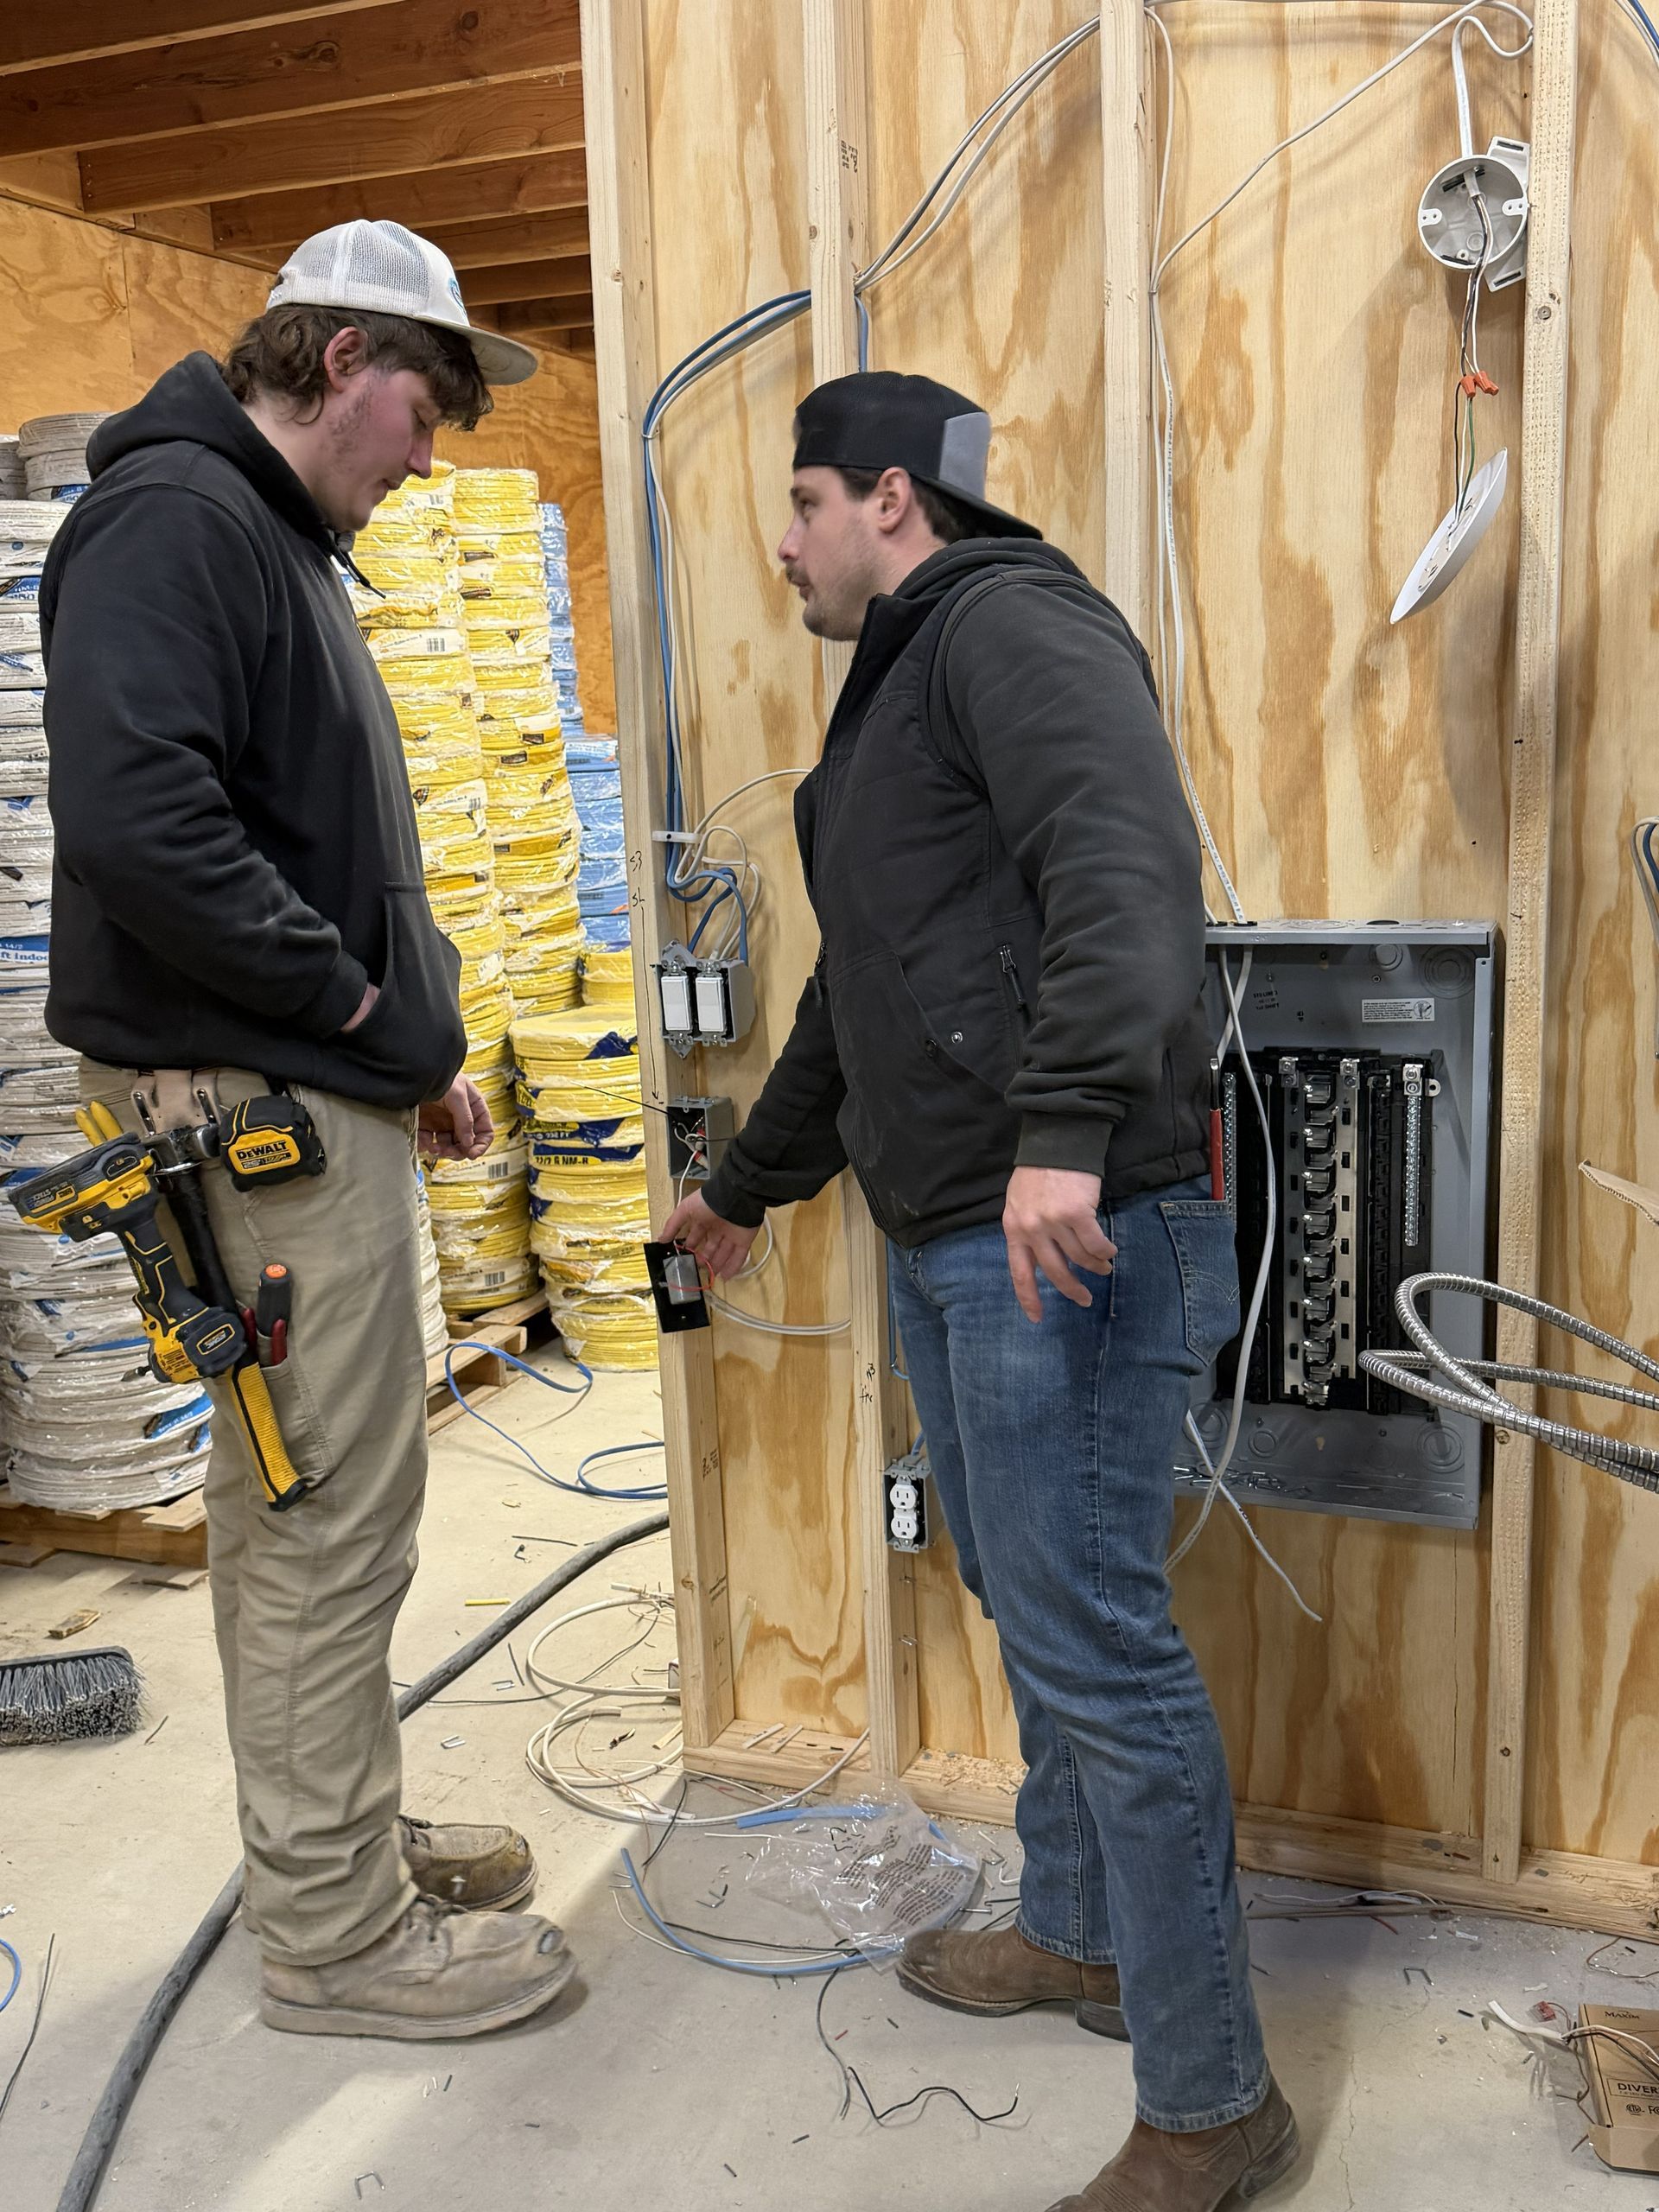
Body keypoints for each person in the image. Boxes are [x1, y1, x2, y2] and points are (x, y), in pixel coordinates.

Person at [663, 370, 1300, 2208]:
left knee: (1097, 1639)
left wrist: (1074, 1122)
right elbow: (851, 993)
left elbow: (1128, 862)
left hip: (1063, 1226)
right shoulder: (884, 710)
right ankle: (1083, 1935)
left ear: (887, 496)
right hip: (956, 1227)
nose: (780, 542)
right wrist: (745, 1184)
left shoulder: (1011, 623)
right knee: (1036, 1608)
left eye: (800, 502)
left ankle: (1209, 2101)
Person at [42, 222, 575, 2042]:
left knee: (340, 1497)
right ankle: (335, 1934)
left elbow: (317, 836)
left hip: (307, 1085)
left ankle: (342, 1833)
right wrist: (358, 1015)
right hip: (250, 1099)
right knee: (322, 1512)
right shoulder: (178, 523)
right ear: (344, 359)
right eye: (425, 405)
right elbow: (145, 830)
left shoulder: (271, 539)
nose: (430, 453)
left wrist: (409, 1039)